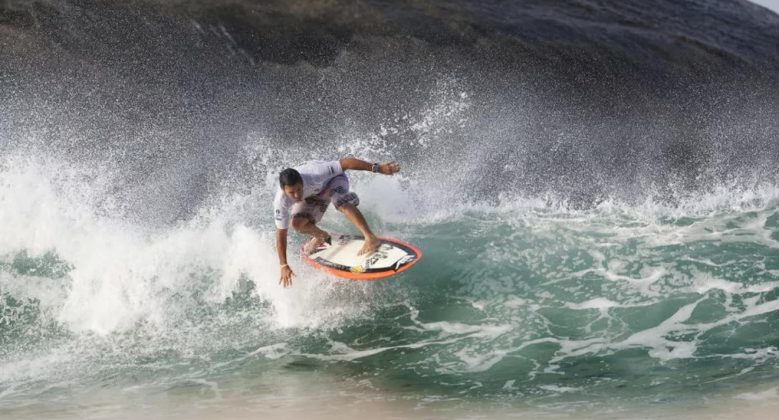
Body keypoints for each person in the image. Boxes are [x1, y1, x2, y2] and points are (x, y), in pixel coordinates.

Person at [274, 157, 401, 287]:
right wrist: (283, 265)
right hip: (315, 195)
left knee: (340, 203)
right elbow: (280, 235)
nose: (296, 195)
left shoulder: (315, 173)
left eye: (299, 189)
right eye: (291, 192)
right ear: (284, 190)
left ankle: (370, 237)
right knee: (297, 224)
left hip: (335, 180)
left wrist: (378, 168)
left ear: (302, 181)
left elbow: (347, 162)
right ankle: (322, 236)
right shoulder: (281, 202)